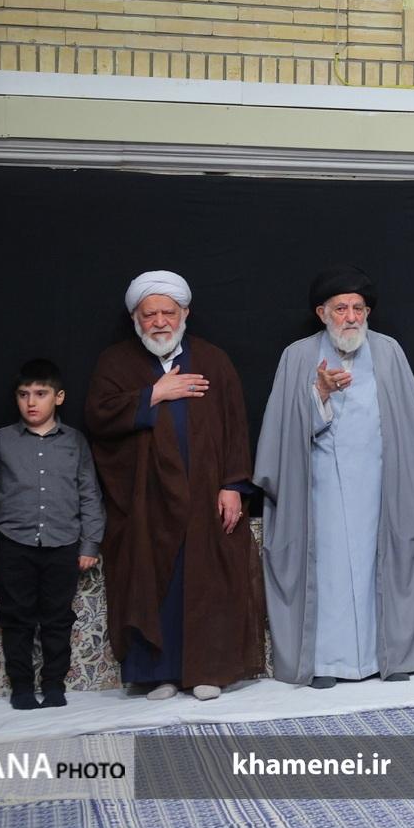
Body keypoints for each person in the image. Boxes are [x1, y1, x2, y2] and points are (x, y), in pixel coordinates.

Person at [256, 267, 414, 688]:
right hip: (320, 491)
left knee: (378, 571)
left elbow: (413, 421)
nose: (350, 317)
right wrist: (320, 394)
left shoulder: (388, 352)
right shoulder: (298, 356)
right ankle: (328, 663)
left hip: (382, 487)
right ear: (322, 313)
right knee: (329, 575)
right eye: (341, 308)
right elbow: (282, 432)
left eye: (358, 309)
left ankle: (390, 658)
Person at [86, 270, 263, 701]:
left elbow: (235, 426)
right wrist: (154, 394)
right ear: (135, 318)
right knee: (154, 581)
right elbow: (98, 418)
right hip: (147, 502)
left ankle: (207, 671)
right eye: (150, 315)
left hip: (206, 495)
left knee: (208, 581)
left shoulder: (213, 360)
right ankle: (160, 674)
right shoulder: (115, 362)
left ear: (185, 313)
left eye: (168, 312)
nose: (160, 322)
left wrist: (232, 485)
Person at [0, 360, 104, 710]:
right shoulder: (1, 440)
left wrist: (90, 543)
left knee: (57, 618)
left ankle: (54, 685)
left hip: (63, 543)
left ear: (58, 397)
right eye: (23, 395)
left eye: (40, 393)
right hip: (14, 543)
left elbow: (89, 494)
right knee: (16, 617)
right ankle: (21, 688)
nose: (31, 402)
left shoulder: (75, 441)